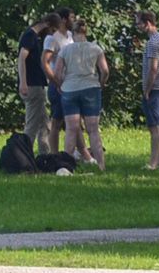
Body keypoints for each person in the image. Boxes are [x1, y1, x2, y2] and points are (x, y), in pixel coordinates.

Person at [55, 18, 109, 171]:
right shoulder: (96, 49)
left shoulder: (65, 50)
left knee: (71, 129)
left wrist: (60, 85)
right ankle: (101, 165)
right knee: (93, 129)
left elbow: (57, 72)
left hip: (70, 89)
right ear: (86, 32)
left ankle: (66, 165)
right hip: (91, 88)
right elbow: (105, 70)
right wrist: (101, 83)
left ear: (73, 33)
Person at [136, 11, 159, 170]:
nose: (137, 26)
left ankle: (153, 163)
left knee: (154, 127)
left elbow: (153, 69)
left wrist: (147, 90)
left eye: (139, 23)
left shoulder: (153, 42)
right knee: (158, 125)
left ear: (148, 23)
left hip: (155, 88)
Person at [16, 14, 53, 153]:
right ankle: (24, 154)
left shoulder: (34, 37)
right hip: (32, 85)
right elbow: (22, 59)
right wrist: (23, 82)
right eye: (52, 30)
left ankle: (45, 154)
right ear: (47, 25)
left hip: (38, 85)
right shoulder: (30, 36)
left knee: (45, 124)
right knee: (31, 125)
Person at [41, 9, 74, 155]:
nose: (74, 20)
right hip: (58, 86)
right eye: (72, 17)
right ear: (64, 20)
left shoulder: (70, 36)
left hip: (71, 83)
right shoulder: (52, 39)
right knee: (57, 121)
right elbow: (45, 62)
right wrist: (55, 81)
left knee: (73, 120)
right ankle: (54, 154)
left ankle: (73, 152)